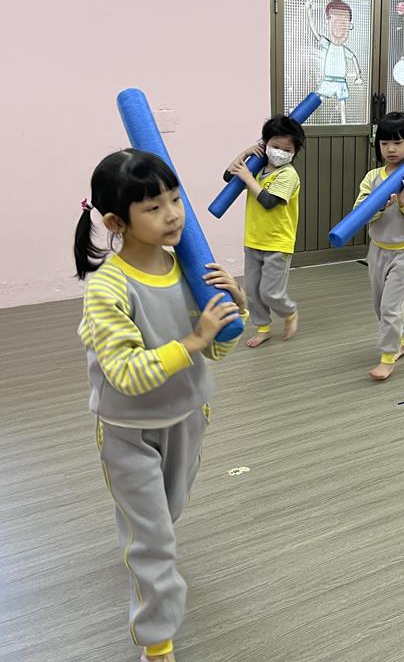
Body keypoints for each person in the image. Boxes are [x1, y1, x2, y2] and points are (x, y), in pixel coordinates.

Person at [74, 148, 247, 662]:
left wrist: (233, 309)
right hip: (128, 429)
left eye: (175, 199)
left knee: (165, 518)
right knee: (155, 543)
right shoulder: (106, 288)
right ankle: (157, 640)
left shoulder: (188, 269)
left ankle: (141, 536)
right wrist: (193, 339)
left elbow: (215, 350)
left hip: (187, 419)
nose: (173, 215)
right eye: (153, 207)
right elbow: (126, 373)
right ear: (115, 222)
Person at [355, 112, 404, 380]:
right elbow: (359, 213)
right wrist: (378, 207)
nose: (390, 148)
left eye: (398, 142)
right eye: (384, 142)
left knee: (390, 307)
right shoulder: (372, 177)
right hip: (377, 250)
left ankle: (388, 357)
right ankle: (401, 339)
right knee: (380, 306)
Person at [224, 115, 304, 347]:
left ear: (295, 152)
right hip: (253, 240)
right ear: (265, 144)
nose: (280, 153)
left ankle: (289, 312)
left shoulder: (288, 174)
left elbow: (269, 201)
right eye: (275, 146)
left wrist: (248, 178)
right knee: (252, 291)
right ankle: (263, 328)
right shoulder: (258, 168)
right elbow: (228, 176)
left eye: (287, 150)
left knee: (270, 291)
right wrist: (246, 154)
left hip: (277, 243)